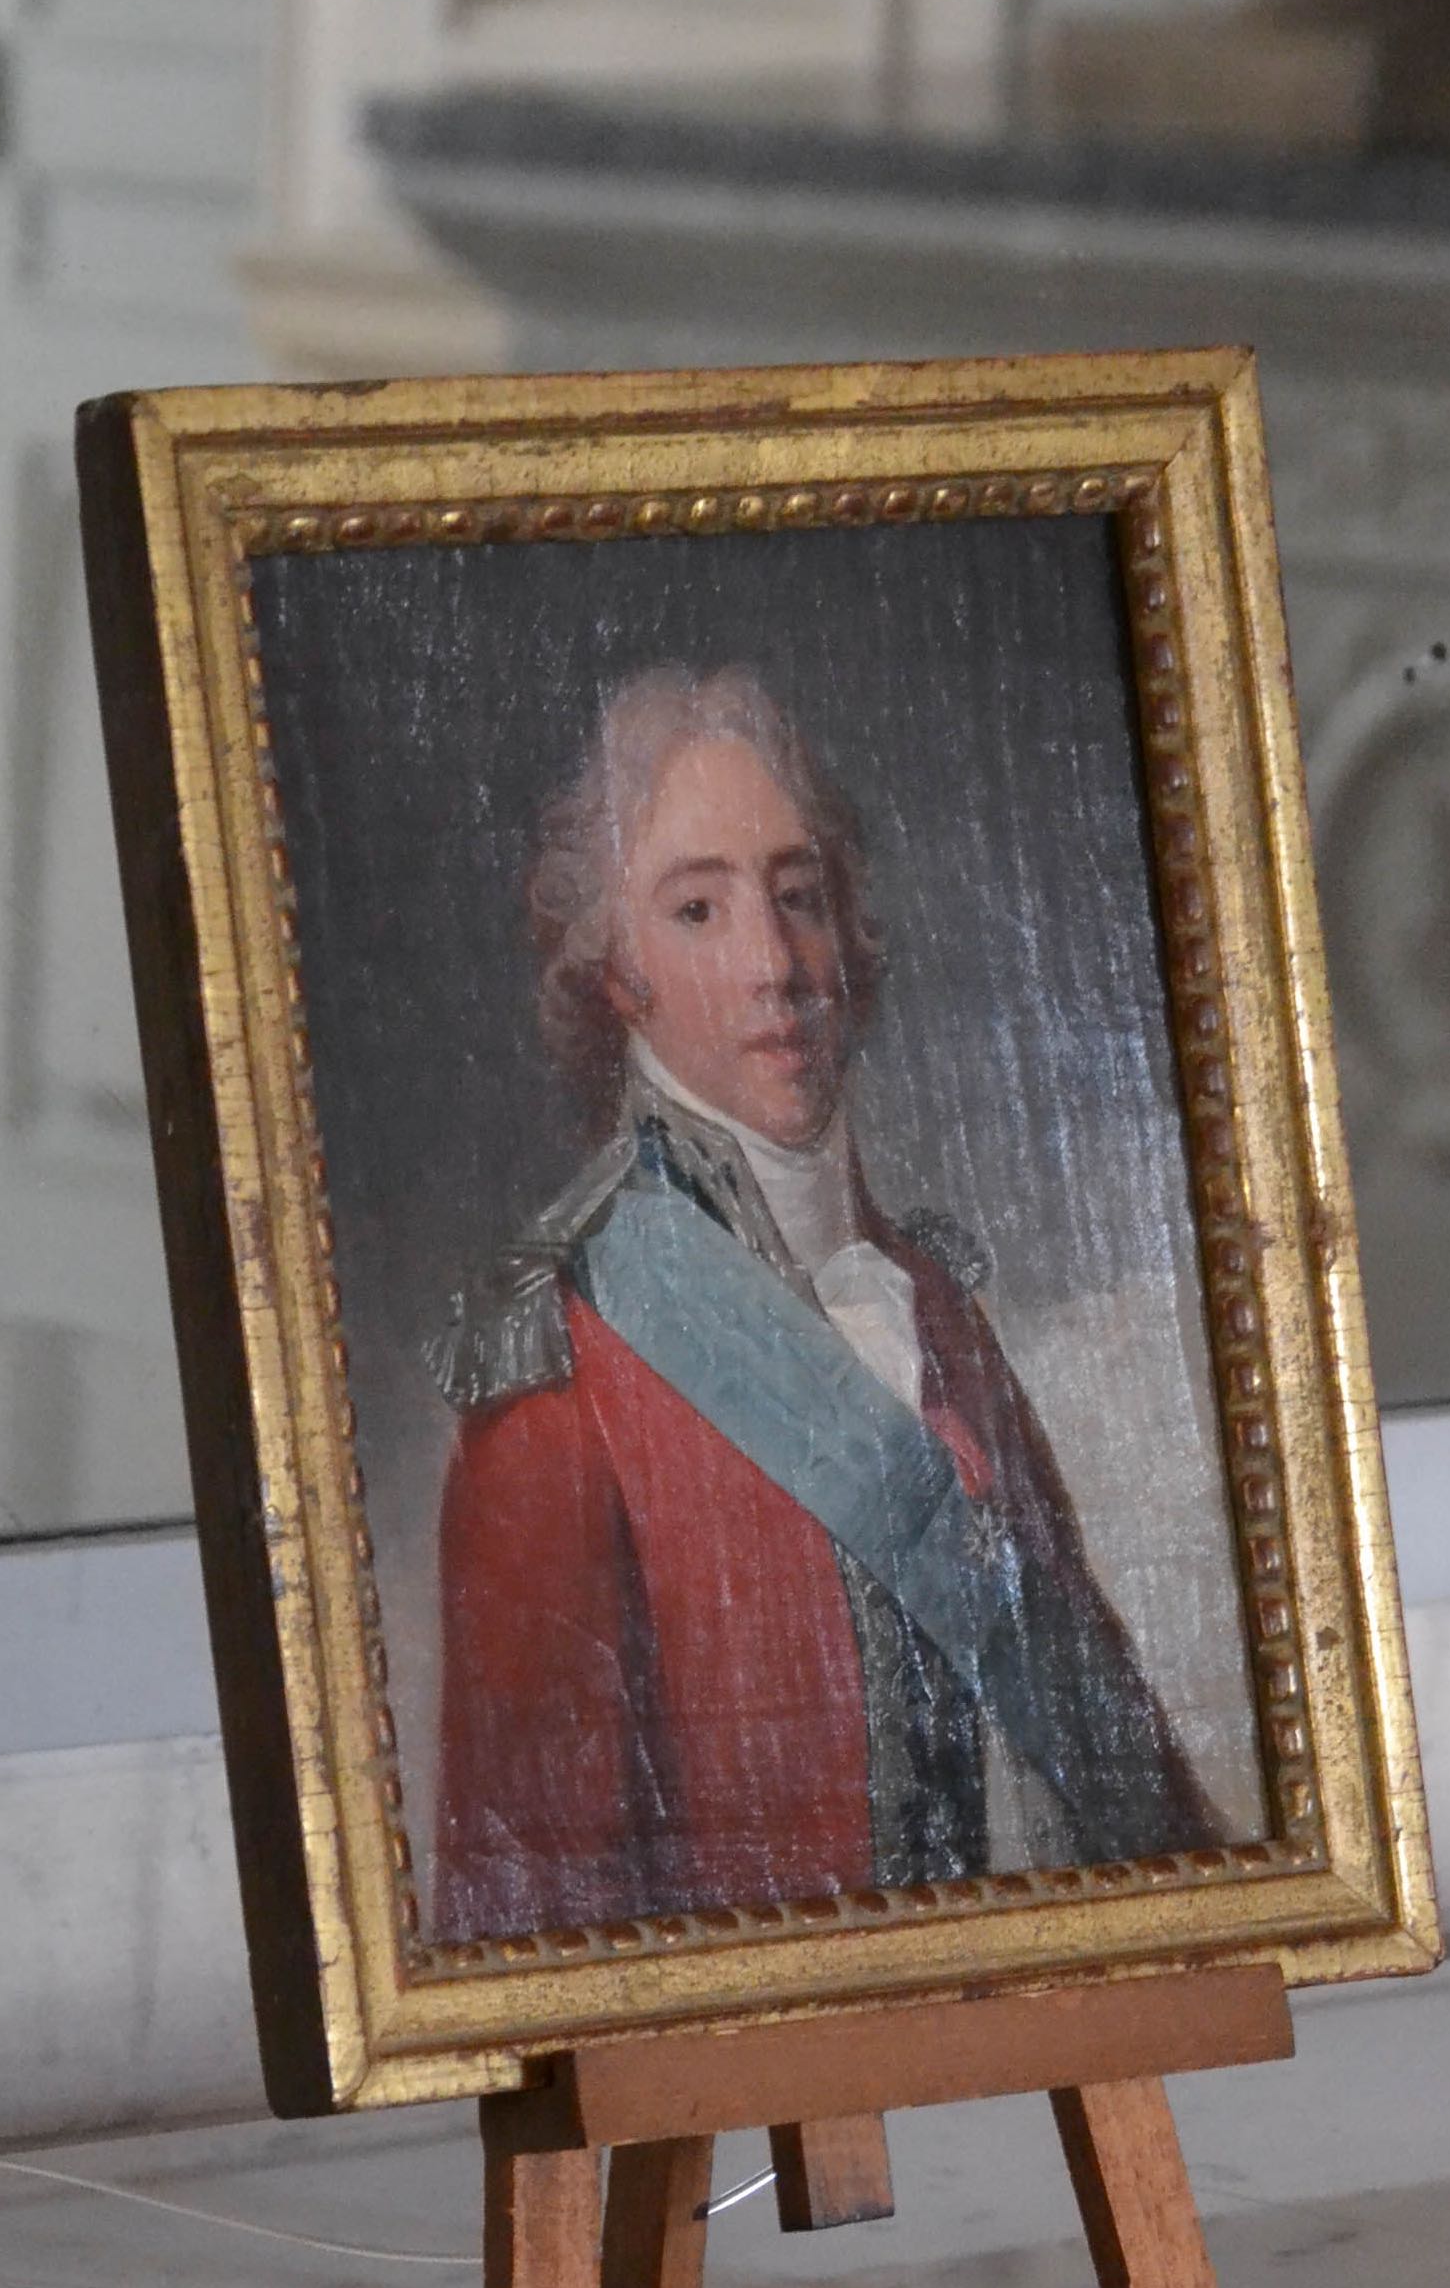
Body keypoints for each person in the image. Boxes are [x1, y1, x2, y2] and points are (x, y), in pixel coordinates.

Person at [424, 663, 1228, 1940]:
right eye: (696, 911)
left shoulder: (930, 1303)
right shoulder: (563, 1359)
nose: (773, 964)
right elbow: (540, 1883)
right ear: (614, 973)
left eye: (797, 898)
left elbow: (1094, 1724)